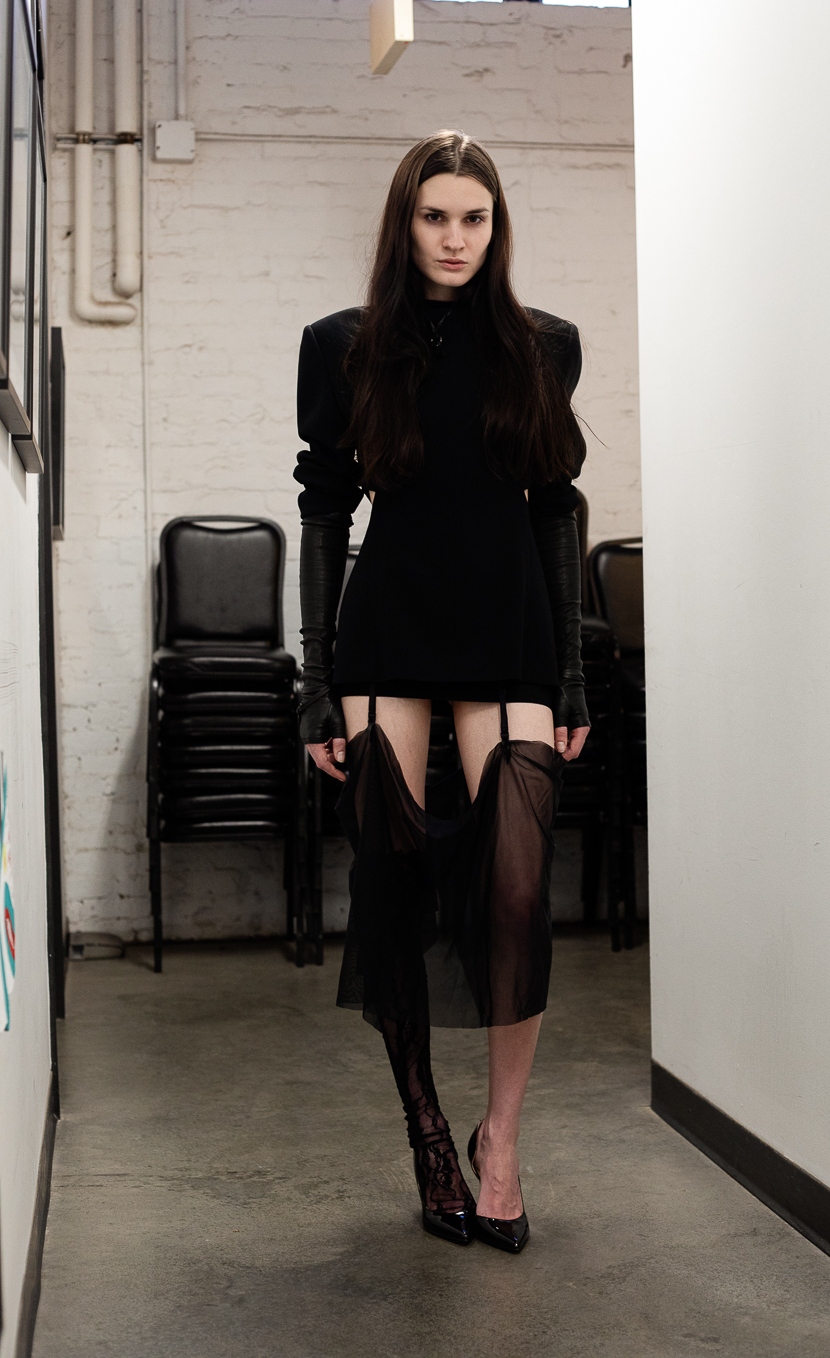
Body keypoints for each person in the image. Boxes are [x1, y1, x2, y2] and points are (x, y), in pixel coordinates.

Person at [294, 129, 589, 1254]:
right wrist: (317, 681)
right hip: (387, 634)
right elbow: (325, 511)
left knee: (516, 895)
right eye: (434, 217)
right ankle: (426, 1128)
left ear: (495, 226)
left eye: (474, 218)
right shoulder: (343, 345)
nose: (455, 239)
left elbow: (556, 508)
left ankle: (499, 1140)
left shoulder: (543, 346)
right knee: (392, 887)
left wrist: (570, 675)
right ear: (403, 224)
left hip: (509, 630)